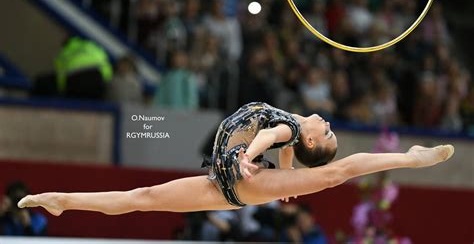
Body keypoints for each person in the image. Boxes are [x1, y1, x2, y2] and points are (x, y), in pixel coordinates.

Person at [18, 102, 454, 215]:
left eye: (328, 133)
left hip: (237, 174)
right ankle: (61, 199)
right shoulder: (291, 134)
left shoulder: (288, 127)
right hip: (225, 183)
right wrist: (282, 178)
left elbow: (270, 135)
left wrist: (250, 155)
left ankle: (412, 158)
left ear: (311, 140)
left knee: (335, 175)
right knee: (143, 197)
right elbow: (283, 151)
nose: (327, 123)